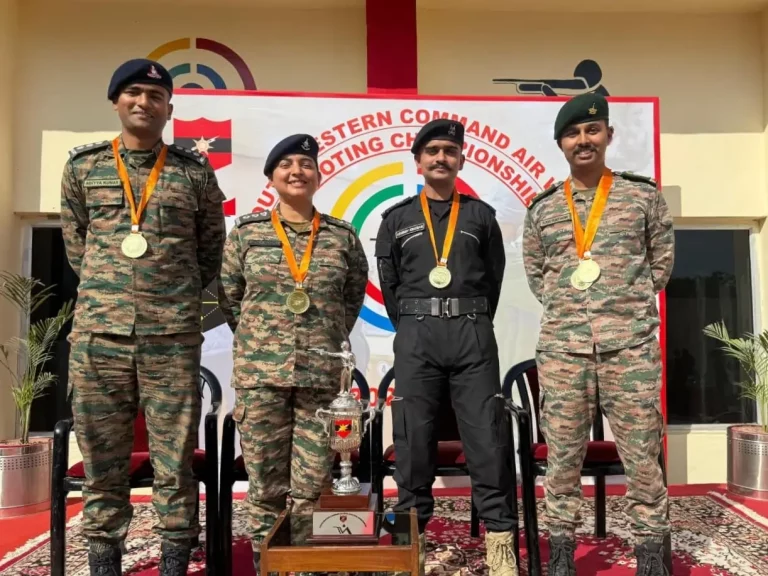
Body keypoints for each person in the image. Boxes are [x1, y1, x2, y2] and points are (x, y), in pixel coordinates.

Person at [60, 59, 226, 576]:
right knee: (102, 459)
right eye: (133, 93)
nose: (143, 103)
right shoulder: (83, 167)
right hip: (100, 336)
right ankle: (104, 560)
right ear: (116, 101)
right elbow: (77, 245)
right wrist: (113, 293)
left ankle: (175, 558)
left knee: (174, 458)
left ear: (169, 110)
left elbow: (210, 248)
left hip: (171, 336)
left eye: (156, 96)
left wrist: (169, 294)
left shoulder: (193, 171)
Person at [522, 92, 674, 576]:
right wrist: (572, 313)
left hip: (629, 349)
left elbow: (660, 264)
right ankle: (561, 554)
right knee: (562, 461)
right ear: (560, 143)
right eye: (572, 133)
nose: (583, 140)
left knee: (643, 458)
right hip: (564, 351)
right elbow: (538, 274)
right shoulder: (543, 208)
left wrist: (622, 308)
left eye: (592, 130)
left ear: (609, 134)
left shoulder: (642, 197)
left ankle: (651, 555)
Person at [218, 134, 368, 573]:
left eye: (305, 164)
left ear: (318, 176)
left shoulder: (341, 236)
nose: (296, 171)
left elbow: (351, 298)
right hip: (261, 378)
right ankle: (267, 565)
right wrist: (263, 343)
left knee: (313, 485)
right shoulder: (246, 234)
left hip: (321, 380)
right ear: (271, 177)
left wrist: (323, 339)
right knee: (265, 486)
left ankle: (303, 565)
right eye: (286, 164)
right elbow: (230, 297)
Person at [375, 119, 518, 576]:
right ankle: (407, 547)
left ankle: (500, 543)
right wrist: (417, 323)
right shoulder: (396, 219)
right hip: (416, 336)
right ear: (418, 161)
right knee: (412, 441)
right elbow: (391, 287)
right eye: (432, 151)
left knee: (487, 439)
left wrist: (466, 317)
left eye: (450, 151)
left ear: (460, 160)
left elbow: (493, 281)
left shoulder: (481, 217)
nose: (441, 158)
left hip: (472, 334)